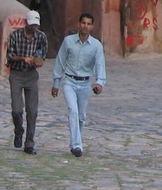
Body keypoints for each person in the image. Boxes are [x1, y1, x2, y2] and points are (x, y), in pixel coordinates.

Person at [51, 13, 106, 157]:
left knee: (81, 116)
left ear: (92, 26)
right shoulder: (68, 42)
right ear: (79, 24)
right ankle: (77, 145)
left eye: (88, 24)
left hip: (84, 83)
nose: (85, 26)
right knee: (73, 111)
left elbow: (100, 65)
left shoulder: (96, 46)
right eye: (83, 23)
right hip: (69, 81)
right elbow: (60, 62)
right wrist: (56, 82)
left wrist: (99, 82)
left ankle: (75, 141)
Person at [6, 9, 47, 154]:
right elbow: (10, 55)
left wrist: (37, 61)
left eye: (35, 25)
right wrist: (23, 58)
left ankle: (29, 143)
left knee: (32, 111)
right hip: (17, 73)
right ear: (25, 23)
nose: (34, 28)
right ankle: (18, 130)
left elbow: (42, 55)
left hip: (31, 75)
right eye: (31, 25)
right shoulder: (15, 36)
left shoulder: (41, 37)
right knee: (17, 109)